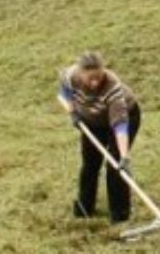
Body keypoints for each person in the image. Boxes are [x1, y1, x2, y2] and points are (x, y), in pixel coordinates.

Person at [57, 52, 141, 223]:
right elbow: (63, 94)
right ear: (80, 74)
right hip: (92, 120)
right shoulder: (71, 76)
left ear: (103, 71)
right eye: (90, 79)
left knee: (115, 165)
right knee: (90, 163)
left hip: (125, 117)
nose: (94, 83)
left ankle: (119, 215)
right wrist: (72, 112)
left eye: (98, 77)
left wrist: (124, 156)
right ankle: (84, 209)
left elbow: (120, 126)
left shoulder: (112, 88)